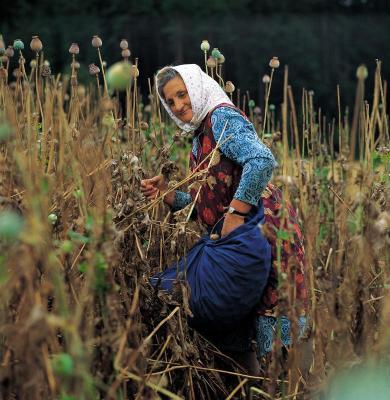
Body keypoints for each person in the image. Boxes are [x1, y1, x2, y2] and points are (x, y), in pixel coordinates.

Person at [141, 64, 308, 375]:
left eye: (183, 94)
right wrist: (169, 194)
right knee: (236, 328)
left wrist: (235, 214)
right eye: (171, 101)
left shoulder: (221, 117)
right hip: (240, 238)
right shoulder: (201, 133)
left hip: (265, 234)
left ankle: (291, 389)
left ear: (198, 88)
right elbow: (210, 197)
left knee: (276, 328)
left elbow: (260, 160)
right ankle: (252, 389)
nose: (179, 105)